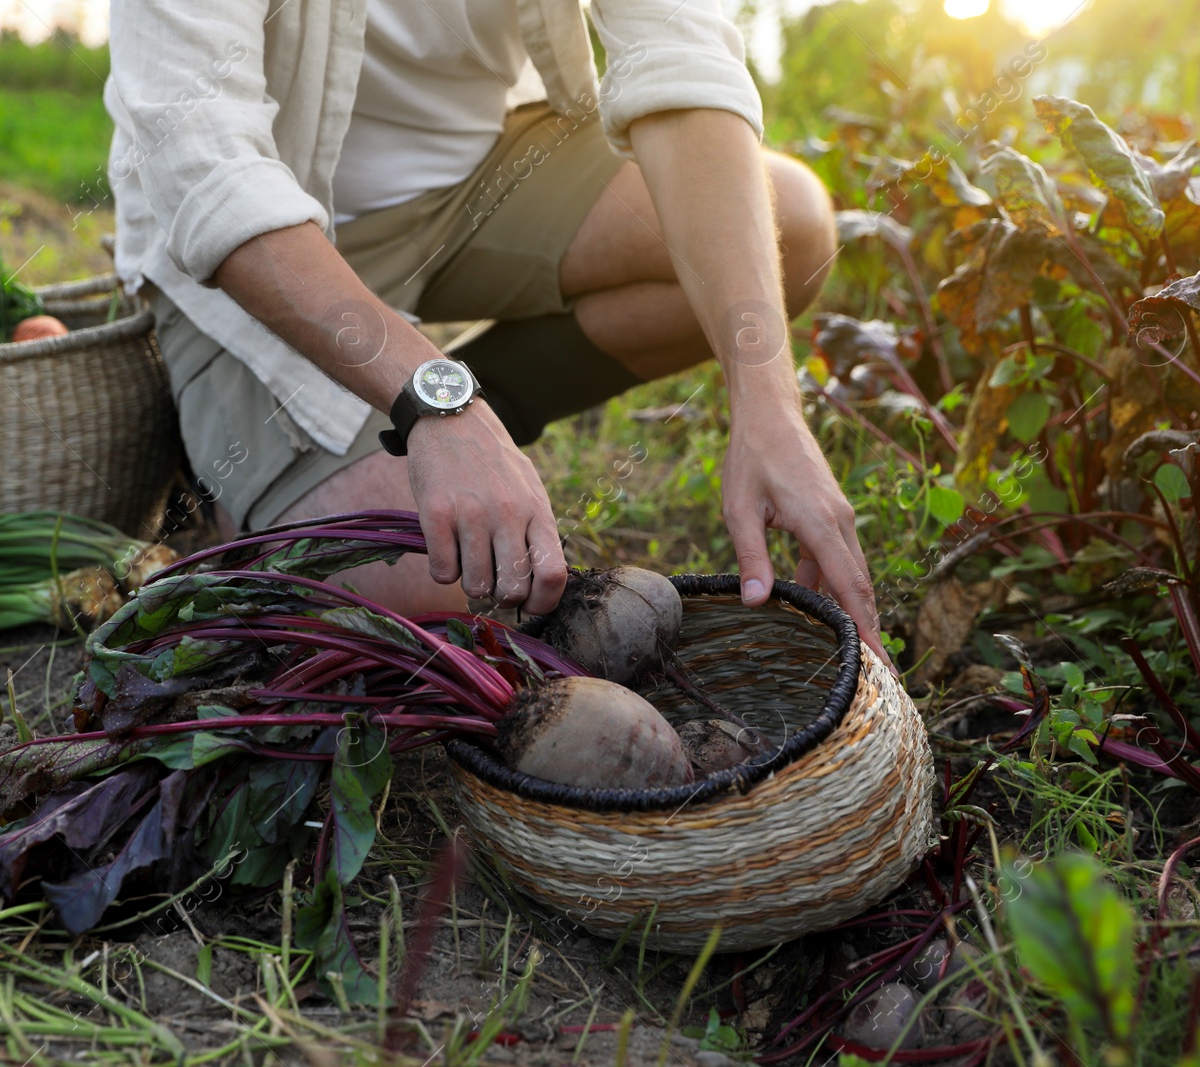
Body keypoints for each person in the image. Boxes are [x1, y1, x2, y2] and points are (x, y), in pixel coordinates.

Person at [104, 0, 885, 658]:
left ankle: (443, 431)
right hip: (256, 242)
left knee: (791, 232)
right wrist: (435, 401)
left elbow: (684, 57)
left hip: (482, 174)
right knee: (444, 579)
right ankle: (327, 453)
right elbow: (205, 167)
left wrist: (769, 402)